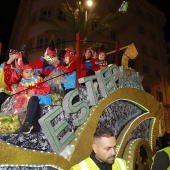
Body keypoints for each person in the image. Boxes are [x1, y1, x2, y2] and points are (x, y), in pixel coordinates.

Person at [14, 52, 52, 134]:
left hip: (41, 99)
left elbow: (47, 89)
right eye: (26, 72)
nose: (30, 74)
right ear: (21, 73)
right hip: (29, 104)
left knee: (34, 99)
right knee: (31, 107)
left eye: (31, 71)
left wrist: (35, 91)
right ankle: (33, 129)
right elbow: (18, 97)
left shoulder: (38, 79)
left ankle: (28, 124)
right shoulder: (21, 84)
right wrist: (17, 109)